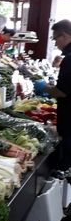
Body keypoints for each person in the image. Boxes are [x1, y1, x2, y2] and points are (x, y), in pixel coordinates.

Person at [44, 20, 71, 170]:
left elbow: (61, 92)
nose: (55, 44)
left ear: (64, 36)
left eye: (55, 38)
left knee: (66, 165)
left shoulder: (70, 59)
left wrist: (45, 88)